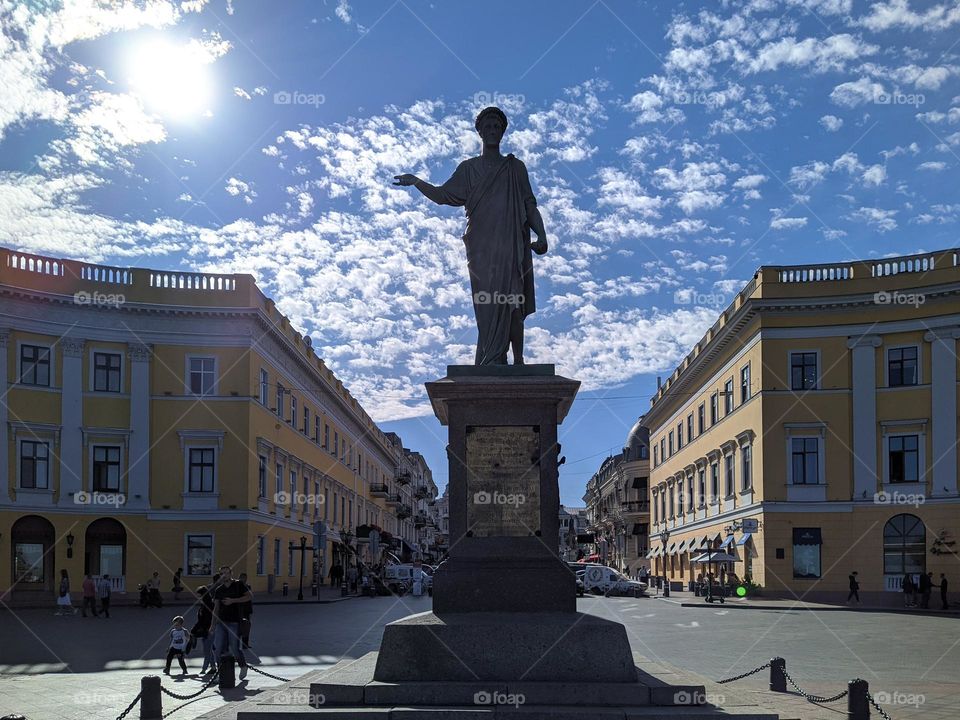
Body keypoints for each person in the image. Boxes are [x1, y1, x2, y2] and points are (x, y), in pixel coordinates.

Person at [393, 106, 549, 365]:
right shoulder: (469, 169)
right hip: (481, 249)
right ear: (479, 132)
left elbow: (529, 205)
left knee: (512, 299)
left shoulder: (515, 168)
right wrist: (418, 182)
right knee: (487, 306)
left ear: (502, 132)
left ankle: (518, 361)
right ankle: (491, 359)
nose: (492, 131)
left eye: (496, 127)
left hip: (510, 243)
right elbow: (444, 196)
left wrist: (541, 234)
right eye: (487, 127)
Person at [213, 565, 250, 680]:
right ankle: (220, 672)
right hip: (221, 622)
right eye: (222, 574)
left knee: (234, 647)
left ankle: (243, 666)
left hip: (235, 621)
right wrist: (212, 625)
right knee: (217, 647)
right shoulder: (219, 589)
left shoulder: (238, 585)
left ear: (231, 573)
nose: (224, 575)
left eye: (226, 573)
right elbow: (216, 608)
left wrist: (233, 601)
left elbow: (249, 597)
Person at [192, 585, 217, 675]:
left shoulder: (209, 605)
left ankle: (205, 669)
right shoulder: (203, 605)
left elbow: (204, 620)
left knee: (207, 651)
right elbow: (201, 620)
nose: (197, 597)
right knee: (208, 650)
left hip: (209, 630)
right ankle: (213, 667)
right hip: (205, 631)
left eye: (199, 595)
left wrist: (194, 630)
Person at [238, 572, 253, 649]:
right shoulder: (236, 586)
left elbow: (249, 600)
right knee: (238, 627)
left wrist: (250, 610)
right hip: (238, 609)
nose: (244, 579)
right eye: (243, 578)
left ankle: (245, 644)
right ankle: (239, 643)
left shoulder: (247, 586)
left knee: (246, 627)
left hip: (246, 610)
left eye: (245, 578)